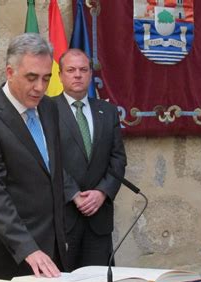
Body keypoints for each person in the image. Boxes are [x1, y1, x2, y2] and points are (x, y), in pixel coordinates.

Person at [0, 33, 68, 281]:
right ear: (10, 72)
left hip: (54, 250)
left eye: (46, 78)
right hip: (12, 255)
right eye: (31, 78)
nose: (40, 88)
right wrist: (28, 248)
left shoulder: (50, 108)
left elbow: (51, 173)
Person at [53, 48, 127, 270]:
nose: (78, 75)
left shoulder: (108, 111)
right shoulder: (46, 110)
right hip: (64, 218)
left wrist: (102, 192)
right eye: (71, 70)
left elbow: (118, 158)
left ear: (90, 74)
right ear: (60, 75)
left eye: (83, 70)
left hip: (99, 219)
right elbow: (48, 159)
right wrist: (74, 194)